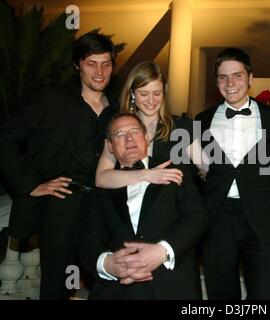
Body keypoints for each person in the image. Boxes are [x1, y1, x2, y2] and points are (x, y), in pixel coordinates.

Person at [0, 32, 117, 299]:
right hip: (63, 203)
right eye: (91, 63)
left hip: (104, 205)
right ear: (77, 65)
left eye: (106, 64)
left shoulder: (117, 108)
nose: (100, 72)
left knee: (107, 281)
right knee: (57, 285)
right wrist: (29, 185)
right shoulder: (51, 99)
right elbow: (5, 137)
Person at [80, 113, 206, 299]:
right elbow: (87, 240)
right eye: (119, 133)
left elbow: (197, 219)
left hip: (171, 286)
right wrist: (108, 264)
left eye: (134, 131)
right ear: (109, 146)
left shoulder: (175, 171)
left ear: (146, 137)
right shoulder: (102, 187)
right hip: (116, 290)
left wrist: (162, 251)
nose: (129, 138)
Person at [195, 47, 270, 300]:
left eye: (237, 75)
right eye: (223, 77)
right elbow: (188, 172)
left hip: (262, 222)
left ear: (251, 78)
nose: (230, 83)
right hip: (217, 221)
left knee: (266, 294)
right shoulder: (199, 121)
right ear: (216, 81)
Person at [95, 61, 208, 189]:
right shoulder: (118, 126)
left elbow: (208, 169)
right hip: (126, 207)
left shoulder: (182, 127)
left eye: (157, 93)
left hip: (171, 207)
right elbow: (101, 178)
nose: (151, 101)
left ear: (164, 93)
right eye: (144, 94)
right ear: (132, 93)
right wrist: (145, 175)